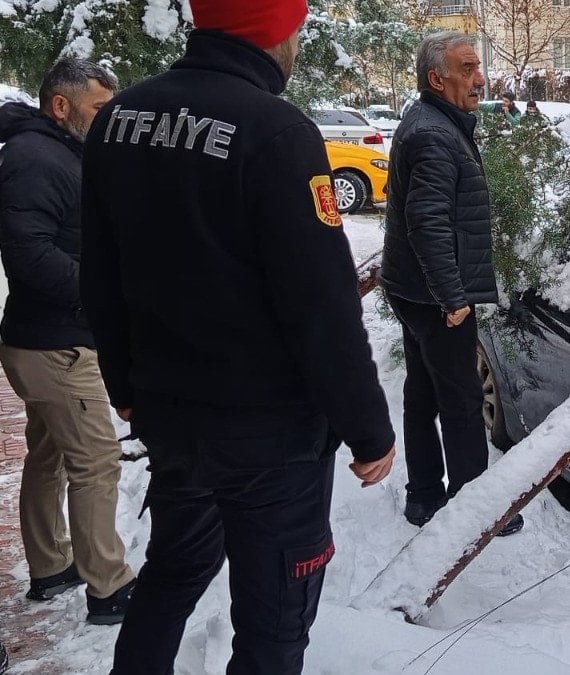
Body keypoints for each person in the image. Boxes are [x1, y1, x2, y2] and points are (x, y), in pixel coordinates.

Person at [80, 0, 396, 672]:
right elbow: (321, 304)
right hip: (266, 437)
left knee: (170, 573)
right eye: (297, 27)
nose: (299, 41)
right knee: (274, 628)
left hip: (169, 413)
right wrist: (368, 428)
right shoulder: (277, 132)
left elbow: (100, 272)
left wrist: (126, 387)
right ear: (273, 32)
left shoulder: (118, 119)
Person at [0, 58, 136, 625]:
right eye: (99, 108)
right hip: (56, 345)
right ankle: (109, 586)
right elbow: (27, 254)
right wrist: (97, 293)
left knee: (51, 455)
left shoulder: (60, 152)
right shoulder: (35, 159)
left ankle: (51, 566)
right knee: (97, 461)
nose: (109, 118)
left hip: (45, 338)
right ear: (62, 106)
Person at [382, 31, 523, 536]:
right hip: (435, 297)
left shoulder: (431, 122)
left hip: (411, 289)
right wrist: (453, 298)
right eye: (467, 69)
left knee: (422, 393)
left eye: (478, 67)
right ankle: (473, 510)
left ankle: (423, 497)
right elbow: (427, 221)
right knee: (461, 402)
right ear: (437, 78)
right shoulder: (435, 135)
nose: (479, 78)